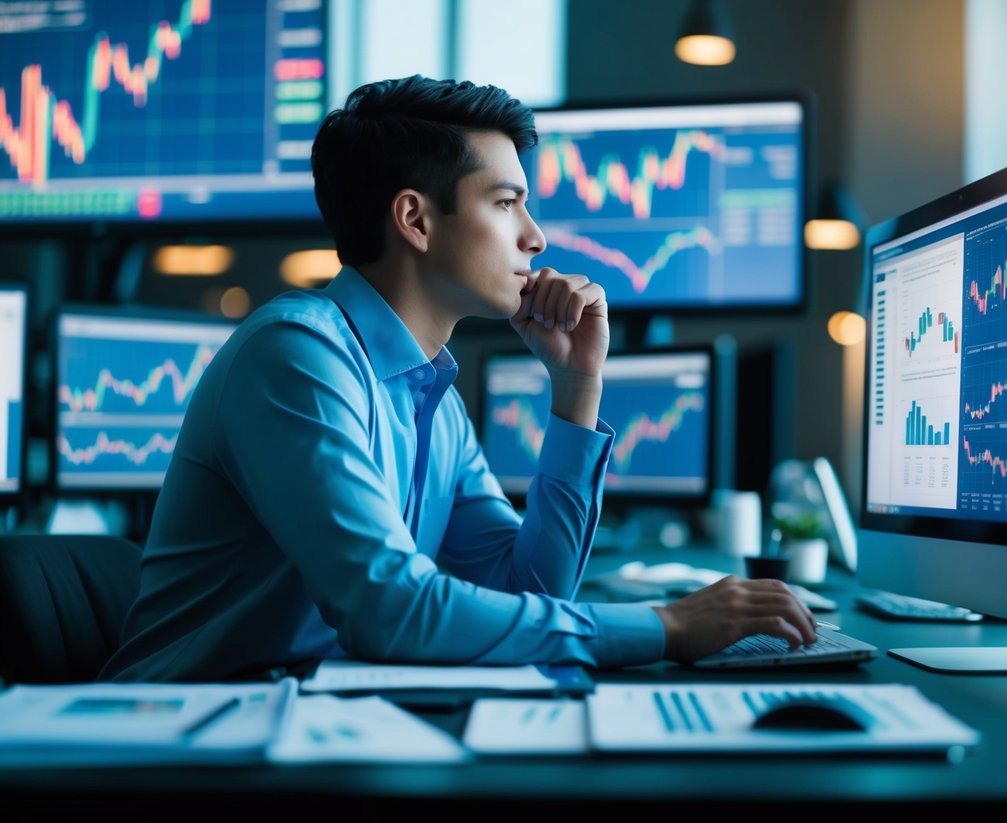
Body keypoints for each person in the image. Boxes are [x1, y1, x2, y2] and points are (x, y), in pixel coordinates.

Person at [99, 75, 816, 682]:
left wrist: (575, 388)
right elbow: (391, 612)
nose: (535, 237)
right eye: (505, 203)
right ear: (415, 220)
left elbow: (532, 589)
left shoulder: (430, 401)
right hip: (178, 746)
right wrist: (666, 626)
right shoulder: (295, 357)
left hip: (307, 729)